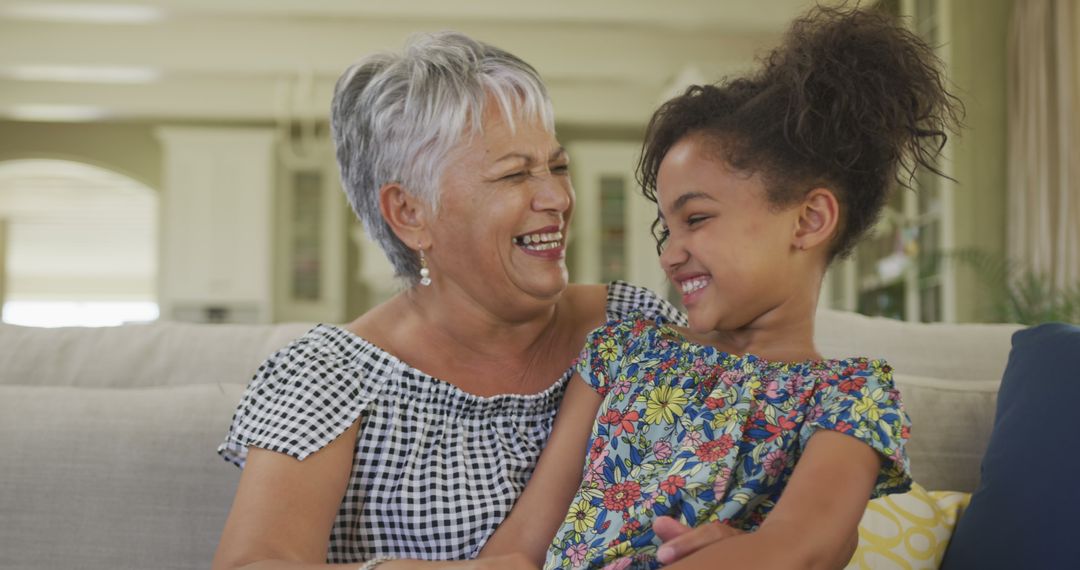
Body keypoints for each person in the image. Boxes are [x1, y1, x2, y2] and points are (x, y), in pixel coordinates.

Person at [479, 6, 961, 570]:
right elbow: (519, 547)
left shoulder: (849, 399)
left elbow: (796, 550)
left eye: (697, 219)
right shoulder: (623, 351)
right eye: (666, 227)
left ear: (808, 222)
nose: (669, 252)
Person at [210, 31, 696, 570]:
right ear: (411, 214)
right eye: (514, 174)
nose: (557, 197)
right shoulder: (326, 376)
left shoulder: (634, 324)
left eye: (556, 167)